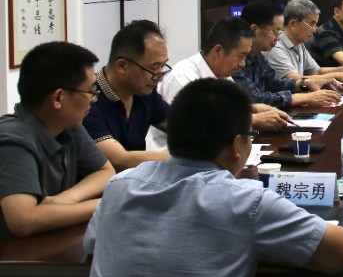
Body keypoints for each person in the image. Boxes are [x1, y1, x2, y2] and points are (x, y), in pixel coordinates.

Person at [84, 78, 343, 277]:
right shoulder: (245, 201)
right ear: (237, 145)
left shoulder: (120, 185)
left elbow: (93, 244)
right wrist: (255, 245)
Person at [0, 42, 114, 239]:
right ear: (58, 98)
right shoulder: (12, 139)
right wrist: (105, 205)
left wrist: (64, 200)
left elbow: (105, 171)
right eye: (90, 92)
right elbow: (23, 220)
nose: (93, 100)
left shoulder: (68, 125)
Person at [148, 17, 293, 151]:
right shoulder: (182, 78)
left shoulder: (222, 74)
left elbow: (224, 110)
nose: (243, 64)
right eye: (241, 56)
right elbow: (195, 129)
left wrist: (253, 108)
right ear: (218, 51)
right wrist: (251, 120)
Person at [82, 20, 172, 171]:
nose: (160, 77)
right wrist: (187, 158)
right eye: (153, 68)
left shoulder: (144, 92)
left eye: (163, 67)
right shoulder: (88, 99)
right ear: (122, 66)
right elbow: (119, 160)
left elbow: (181, 127)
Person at [233, 0, 341, 109]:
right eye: (275, 32)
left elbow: (273, 84)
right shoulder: (234, 60)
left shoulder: (258, 55)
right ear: (254, 30)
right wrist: (305, 98)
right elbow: (256, 98)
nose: (278, 37)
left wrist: (303, 84)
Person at [267, 0, 343, 85]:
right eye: (311, 24)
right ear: (293, 23)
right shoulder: (275, 47)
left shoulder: (299, 43)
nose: (315, 30)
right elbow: (296, 80)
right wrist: (337, 75)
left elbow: (316, 71)